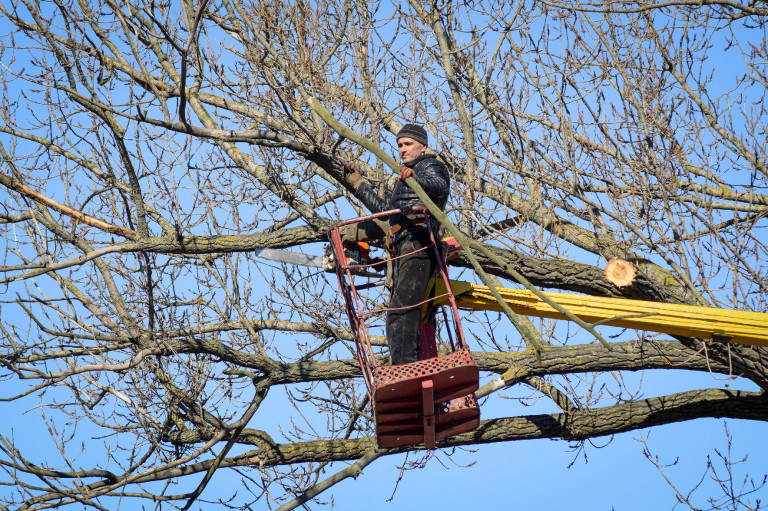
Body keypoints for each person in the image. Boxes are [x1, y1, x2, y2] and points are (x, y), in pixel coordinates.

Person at [340, 124, 450, 365]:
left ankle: (407, 367)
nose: (402, 149)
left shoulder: (431, 166)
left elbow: (439, 186)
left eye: (408, 144)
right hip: (402, 246)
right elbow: (386, 212)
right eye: (399, 145)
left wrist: (417, 179)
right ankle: (402, 365)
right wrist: (358, 185)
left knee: (403, 309)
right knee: (395, 314)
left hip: (419, 242)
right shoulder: (404, 177)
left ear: (423, 146)